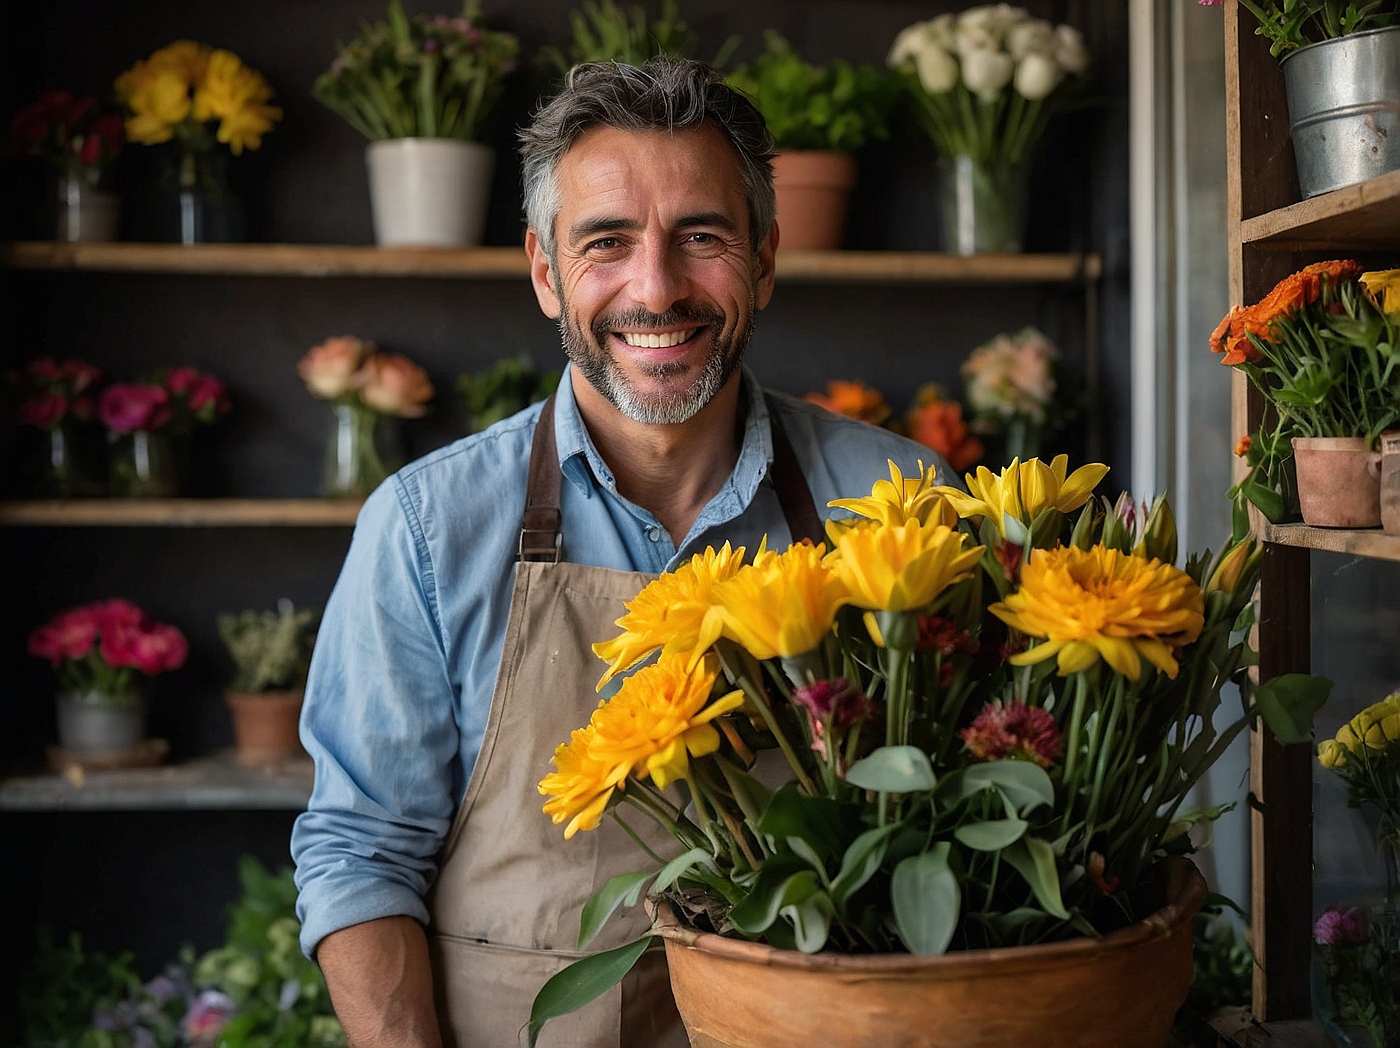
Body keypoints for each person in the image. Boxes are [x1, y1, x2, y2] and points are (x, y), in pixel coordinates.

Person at [291, 56, 954, 1048]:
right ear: (543, 272)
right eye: (606, 242)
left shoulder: (900, 508)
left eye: (700, 235)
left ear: (764, 258)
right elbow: (361, 848)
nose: (656, 287)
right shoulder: (427, 529)